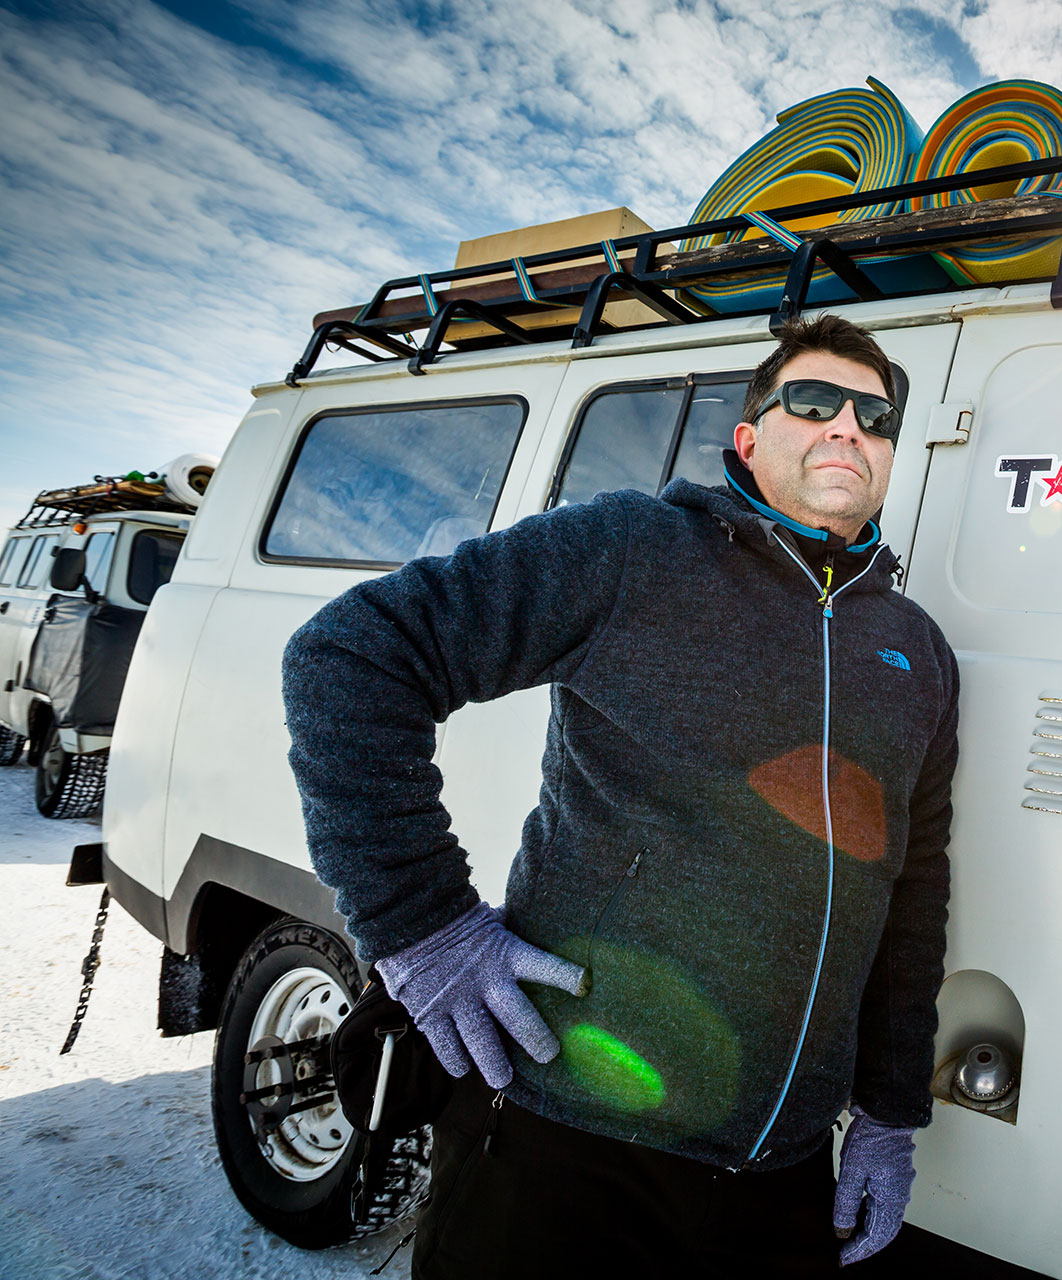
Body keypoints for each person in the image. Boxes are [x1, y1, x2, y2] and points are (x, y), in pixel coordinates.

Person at [283, 314, 959, 1276]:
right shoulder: (635, 548)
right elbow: (351, 654)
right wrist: (424, 924)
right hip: (565, 1135)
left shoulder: (916, 651)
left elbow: (912, 888)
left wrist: (890, 1115)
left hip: (780, 1166)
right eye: (813, 402)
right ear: (750, 437)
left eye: (876, 416)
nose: (848, 426)